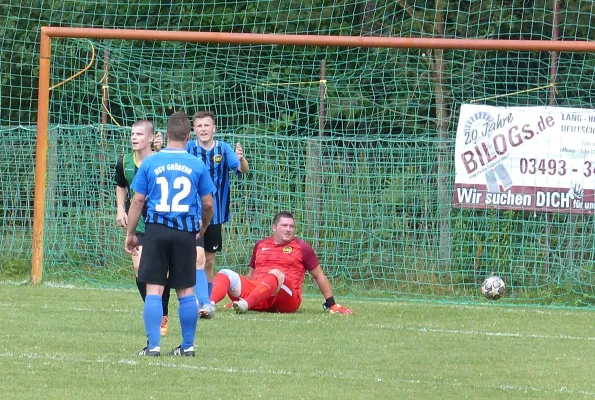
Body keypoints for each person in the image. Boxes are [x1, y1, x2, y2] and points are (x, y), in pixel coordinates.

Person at [125, 111, 216, 357]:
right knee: (186, 290)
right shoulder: (197, 164)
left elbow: (137, 201)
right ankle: (187, 346)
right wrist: (203, 227)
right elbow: (208, 204)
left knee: (154, 288)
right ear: (189, 135)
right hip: (185, 232)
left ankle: (153, 346)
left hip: (156, 230)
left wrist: (131, 233)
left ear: (165, 135)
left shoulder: (151, 162)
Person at [208, 212, 353, 315]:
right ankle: (208, 304)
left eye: (291, 226)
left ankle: (246, 304)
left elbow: (319, 276)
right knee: (225, 273)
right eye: (284, 225)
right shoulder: (261, 245)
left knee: (276, 273)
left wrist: (332, 304)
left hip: (287, 299)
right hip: (260, 294)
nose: (288, 229)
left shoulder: (302, 247)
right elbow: (251, 274)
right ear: (274, 228)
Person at [182, 110, 249, 318]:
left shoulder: (223, 148)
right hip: (191, 214)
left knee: (208, 260)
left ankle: (208, 299)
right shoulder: (188, 148)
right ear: (194, 130)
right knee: (195, 257)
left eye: (207, 125)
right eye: (199, 126)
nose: (203, 129)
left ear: (214, 128)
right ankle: (198, 299)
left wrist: (242, 159)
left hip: (216, 215)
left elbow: (242, 170)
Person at [114, 120, 171, 336]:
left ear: (150, 138)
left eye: (139, 134)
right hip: (137, 222)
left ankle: (162, 313)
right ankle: (155, 313)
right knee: (141, 270)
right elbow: (121, 186)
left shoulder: (161, 160)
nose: (134, 137)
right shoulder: (125, 162)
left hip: (159, 222)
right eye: (132, 133)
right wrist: (120, 209)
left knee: (160, 273)